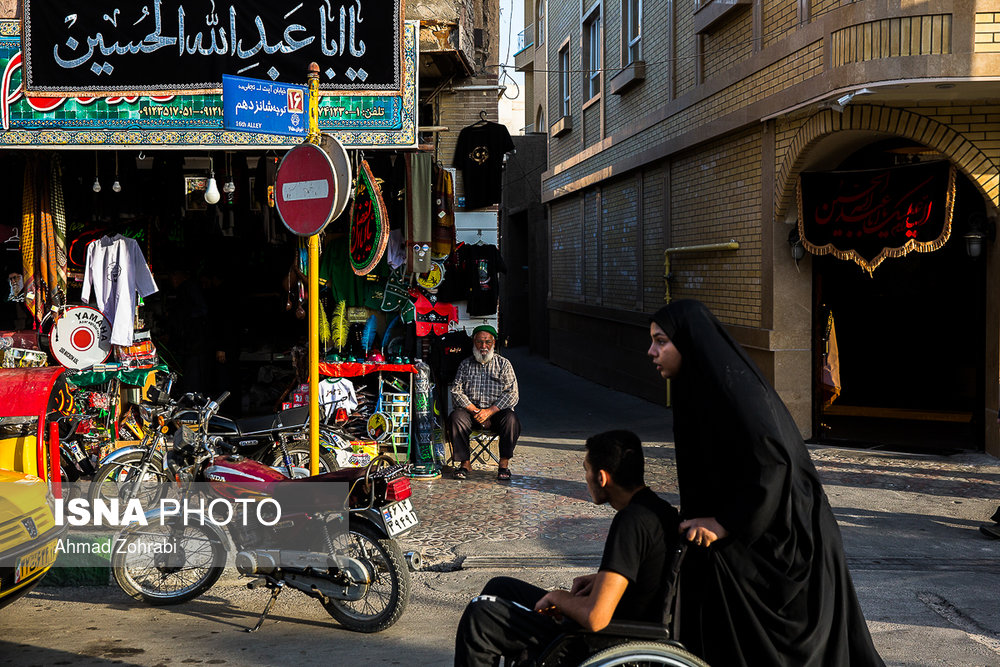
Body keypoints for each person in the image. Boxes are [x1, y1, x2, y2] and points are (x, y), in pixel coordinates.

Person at [648, 299, 885, 667]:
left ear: (689, 342)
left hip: (787, 538)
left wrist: (723, 523)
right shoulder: (696, 386)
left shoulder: (732, 388)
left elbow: (774, 463)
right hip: (756, 525)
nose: (652, 351)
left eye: (661, 341)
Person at [453, 430, 680, 666]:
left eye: (586, 470)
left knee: (480, 617)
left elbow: (596, 618)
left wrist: (558, 597)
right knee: (499, 587)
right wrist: (601, 579)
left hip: (604, 640)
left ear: (602, 478)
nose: (586, 477)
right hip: (626, 619)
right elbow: (646, 571)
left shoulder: (631, 522)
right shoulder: (659, 509)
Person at [448, 325, 520, 480]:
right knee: (456, 417)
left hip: (496, 414)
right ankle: (465, 463)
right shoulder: (465, 364)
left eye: (487, 342)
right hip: (470, 413)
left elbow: (512, 394)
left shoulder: (504, 364)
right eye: (480, 342)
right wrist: (475, 411)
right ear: (474, 342)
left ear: (493, 342)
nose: (483, 346)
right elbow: (456, 391)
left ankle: (503, 465)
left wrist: (489, 412)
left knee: (511, 419)